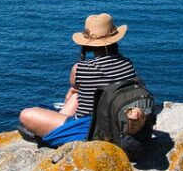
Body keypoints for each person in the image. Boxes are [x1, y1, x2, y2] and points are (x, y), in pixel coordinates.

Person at [19, 13, 147, 146]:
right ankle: (60, 120)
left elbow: (74, 86)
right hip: (116, 121)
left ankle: (59, 128)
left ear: (88, 44)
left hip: (90, 129)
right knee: (76, 94)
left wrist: (75, 91)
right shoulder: (127, 63)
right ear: (115, 39)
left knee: (26, 114)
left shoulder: (80, 68)